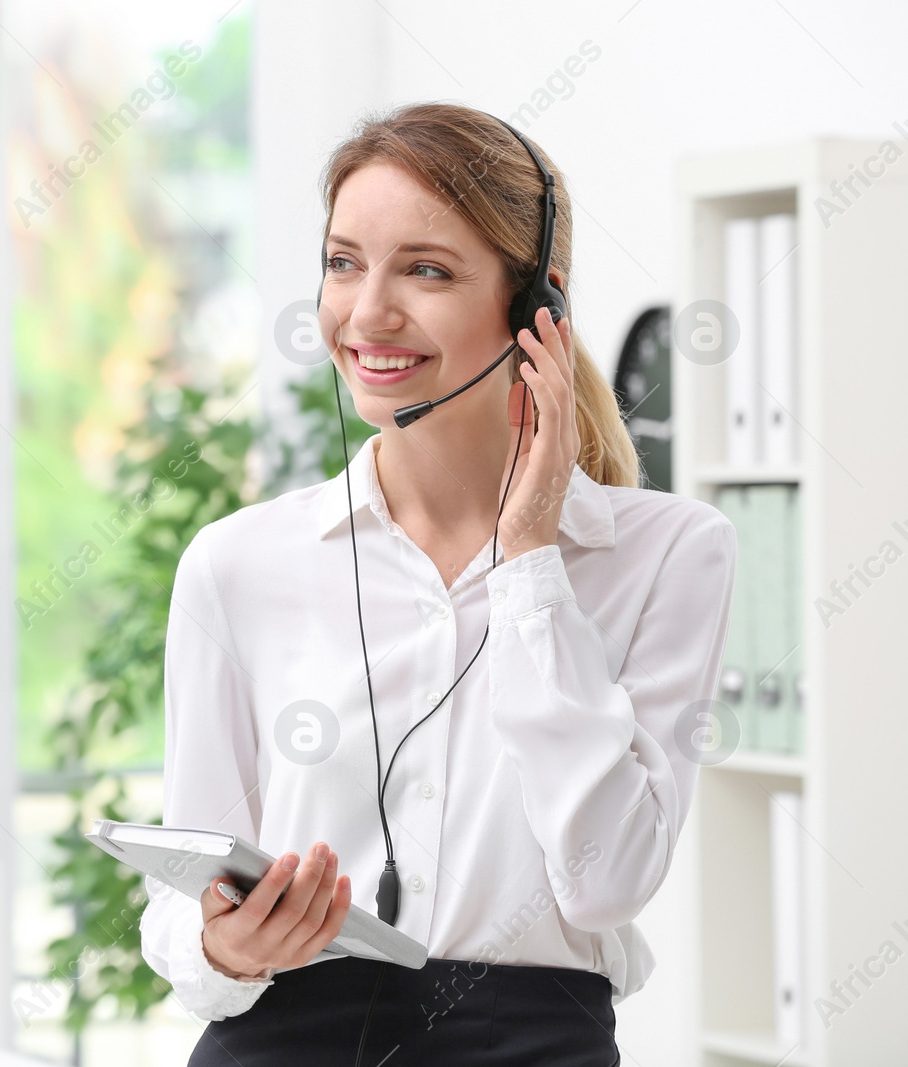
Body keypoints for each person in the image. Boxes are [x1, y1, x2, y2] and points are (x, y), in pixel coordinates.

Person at [139, 102, 738, 1065]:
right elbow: (181, 898)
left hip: (535, 1044)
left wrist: (533, 561)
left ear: (538, 304)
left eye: (426, 269)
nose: (367, 313)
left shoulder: (671, 553)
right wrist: (221, 943)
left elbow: (606, 881)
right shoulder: (236, 564)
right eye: (343, 262)